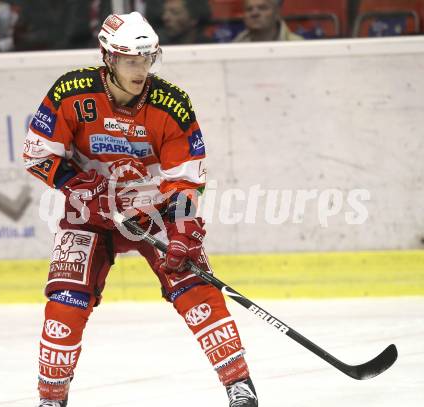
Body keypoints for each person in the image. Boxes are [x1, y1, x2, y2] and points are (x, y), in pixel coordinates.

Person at [23, 11, 258, 407]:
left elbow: (184, 179)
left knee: (194, 286)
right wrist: (81, 187)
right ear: (109, 58)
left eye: (147, 59)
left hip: (153, 208)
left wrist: (183, 229)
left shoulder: (172, 104)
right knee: (66, 299)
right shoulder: (71, 92)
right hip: (89, 212)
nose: (141, 69)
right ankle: (51, 399)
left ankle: (239, 384)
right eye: (131, 60)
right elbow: (37, 154)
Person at [233, 0, 303, 42]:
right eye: (249, 9)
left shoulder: (298, 45)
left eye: (262, 8)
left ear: (277, 13)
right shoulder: (234, 46)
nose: (254, 13)